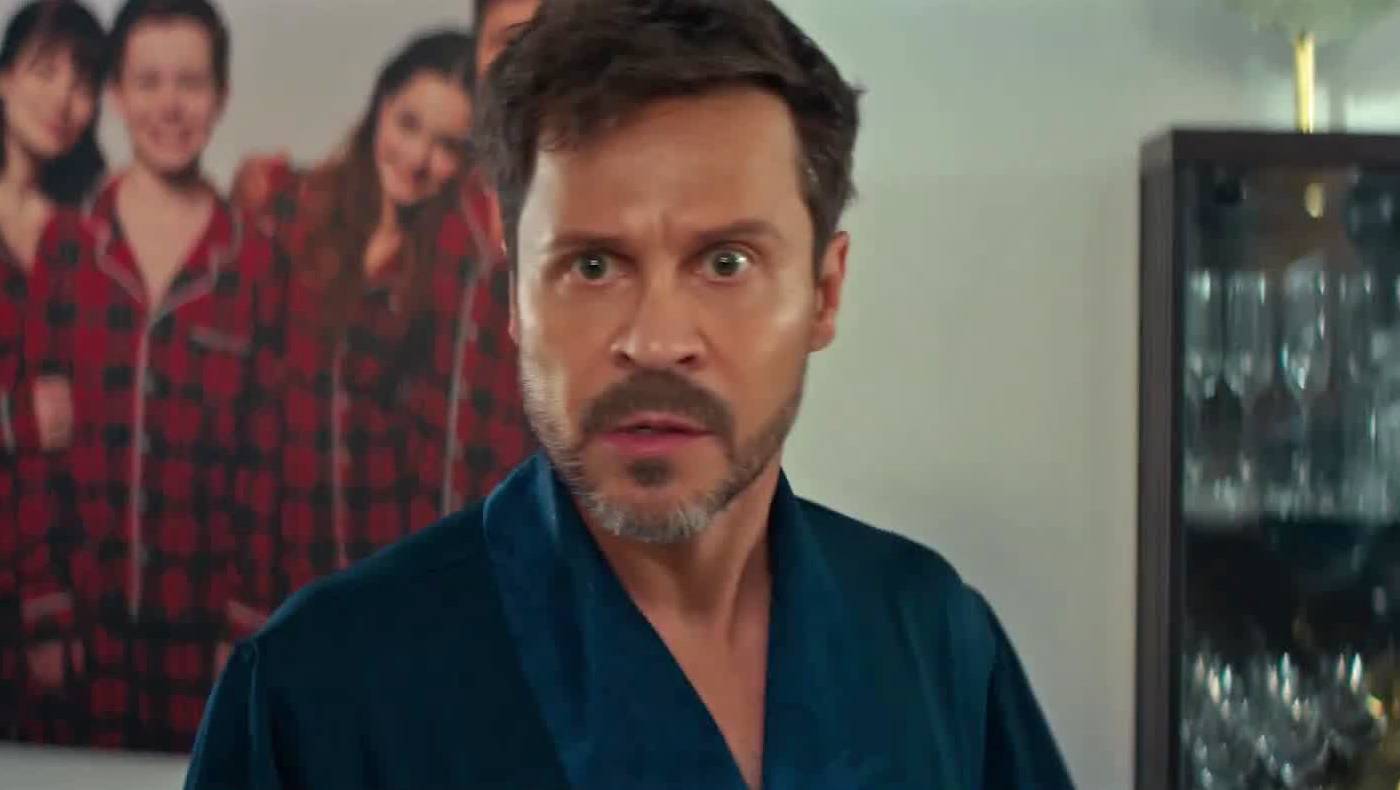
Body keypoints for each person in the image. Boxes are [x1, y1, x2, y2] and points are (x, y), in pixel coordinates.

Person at [185, 0, 1076, 787]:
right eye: (593, 265)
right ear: (514, 296)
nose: (655, 342)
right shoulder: (316, 695)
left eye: (727, 262)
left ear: (824, 293)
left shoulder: (937, 643)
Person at [28, 0, 283, 751]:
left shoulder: (256, 262)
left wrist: (246, 623)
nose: (169, 106)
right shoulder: (67, 248)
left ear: (221, 96)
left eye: (190, 83)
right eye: (148, 82)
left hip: (202, 639)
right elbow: (37, 452)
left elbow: (267, 459)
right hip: (78, 632)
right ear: (116, 95)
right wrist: (43, 605)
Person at [236, 29, 528, 600]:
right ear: (380, 105)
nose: (418, 159)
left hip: (386, 562)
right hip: (287, 559)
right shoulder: (292, 212)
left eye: (447, 146)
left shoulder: (453, 260)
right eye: (407, 124)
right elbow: (252, 405)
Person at [0, 0, 105, 744]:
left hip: (58, 548)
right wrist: (17, 417)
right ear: (4, 78)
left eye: (83, 80)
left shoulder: (92, 226)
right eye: (44, 72)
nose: (62, 99)